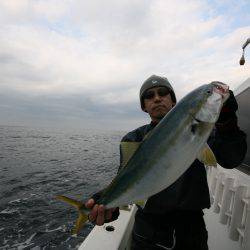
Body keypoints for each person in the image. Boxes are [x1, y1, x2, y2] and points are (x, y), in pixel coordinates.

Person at [85, 75, 247, 250]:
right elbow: (125, 182)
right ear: (144, 106)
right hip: (147, 235)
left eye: (163, 93)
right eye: (149, 96)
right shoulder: (134, 139)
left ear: (173, 101)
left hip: (192, 233)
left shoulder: (205, 132)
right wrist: (108, 206)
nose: (156, 98)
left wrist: (226, 122)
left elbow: (231, 159)